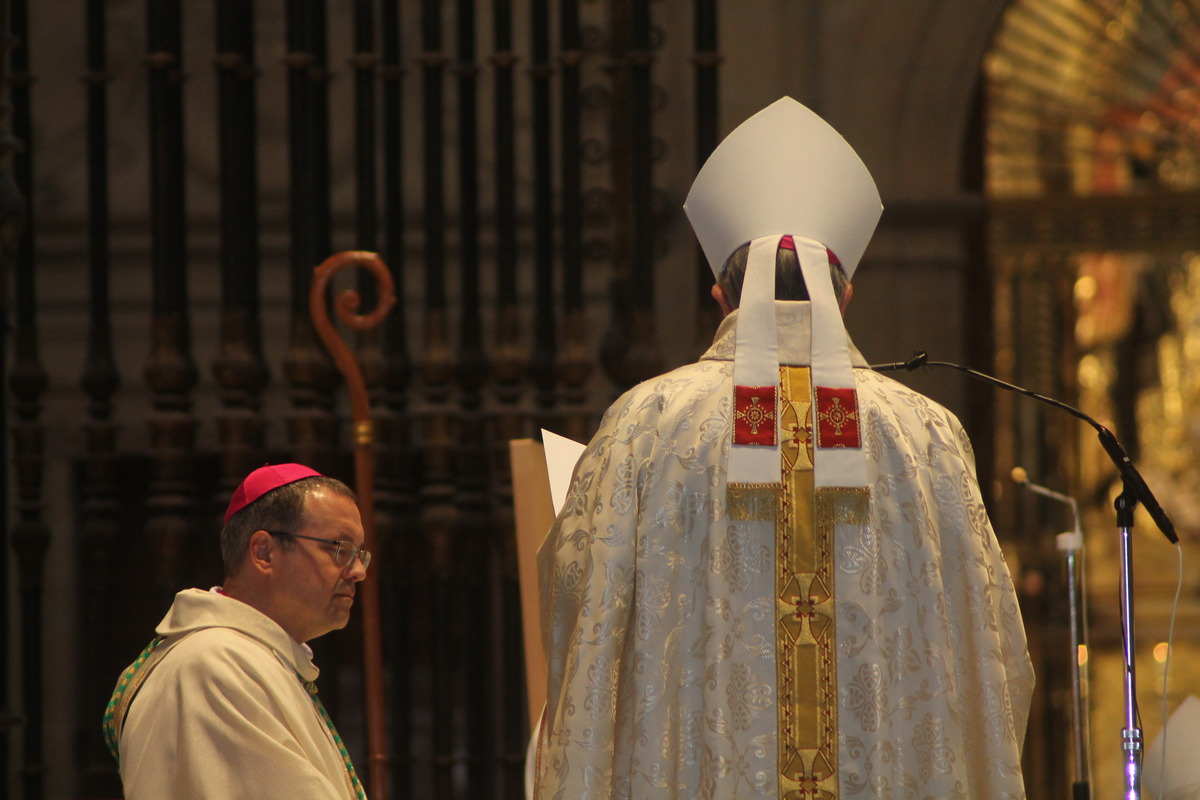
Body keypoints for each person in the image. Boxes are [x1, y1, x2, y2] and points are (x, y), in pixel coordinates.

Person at [534, 98, 1034, 799]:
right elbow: (994, 656)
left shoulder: (642, 423)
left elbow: (582, 623)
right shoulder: (927, 435)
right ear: (847, 296)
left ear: (719, 294)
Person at [103, 463, 371, 800]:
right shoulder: (214, 665)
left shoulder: (256, 660)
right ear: (264, 552)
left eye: (360, 554)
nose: (358, 571)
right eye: (339, 549)